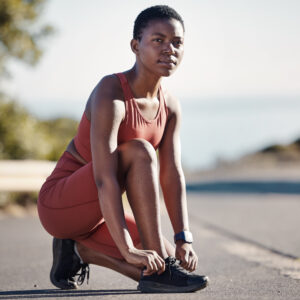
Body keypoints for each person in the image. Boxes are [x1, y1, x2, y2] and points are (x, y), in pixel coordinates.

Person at [37, 5, 209, 293]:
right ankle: (156, 268)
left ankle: (79, 251)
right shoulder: (111, 91)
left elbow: (172, 175)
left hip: (101, 215)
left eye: (177, 42)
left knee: (158, 268)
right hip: (62, 204)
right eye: (158, 40)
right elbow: (105, 178)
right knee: (140, 150)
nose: (169, 49)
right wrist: (128, 247)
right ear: (135, 46)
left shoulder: (170, 105)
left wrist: (183, 238)